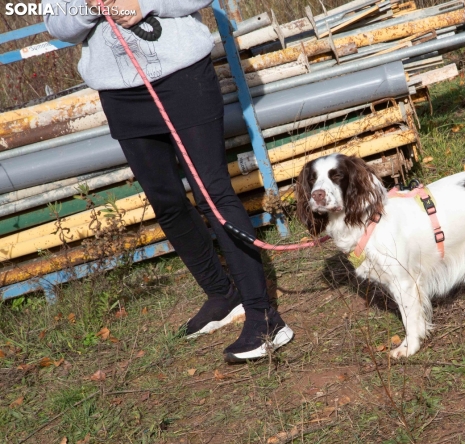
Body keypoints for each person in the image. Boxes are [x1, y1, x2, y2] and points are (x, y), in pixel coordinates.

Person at [43, 0, 293, 362]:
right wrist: (89, 7)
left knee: (212, 192)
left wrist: (143, 5)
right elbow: (57, 25)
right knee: (167, 202)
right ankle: (223, 295)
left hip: (183, 80)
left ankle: (265, 317)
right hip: (120, 95)